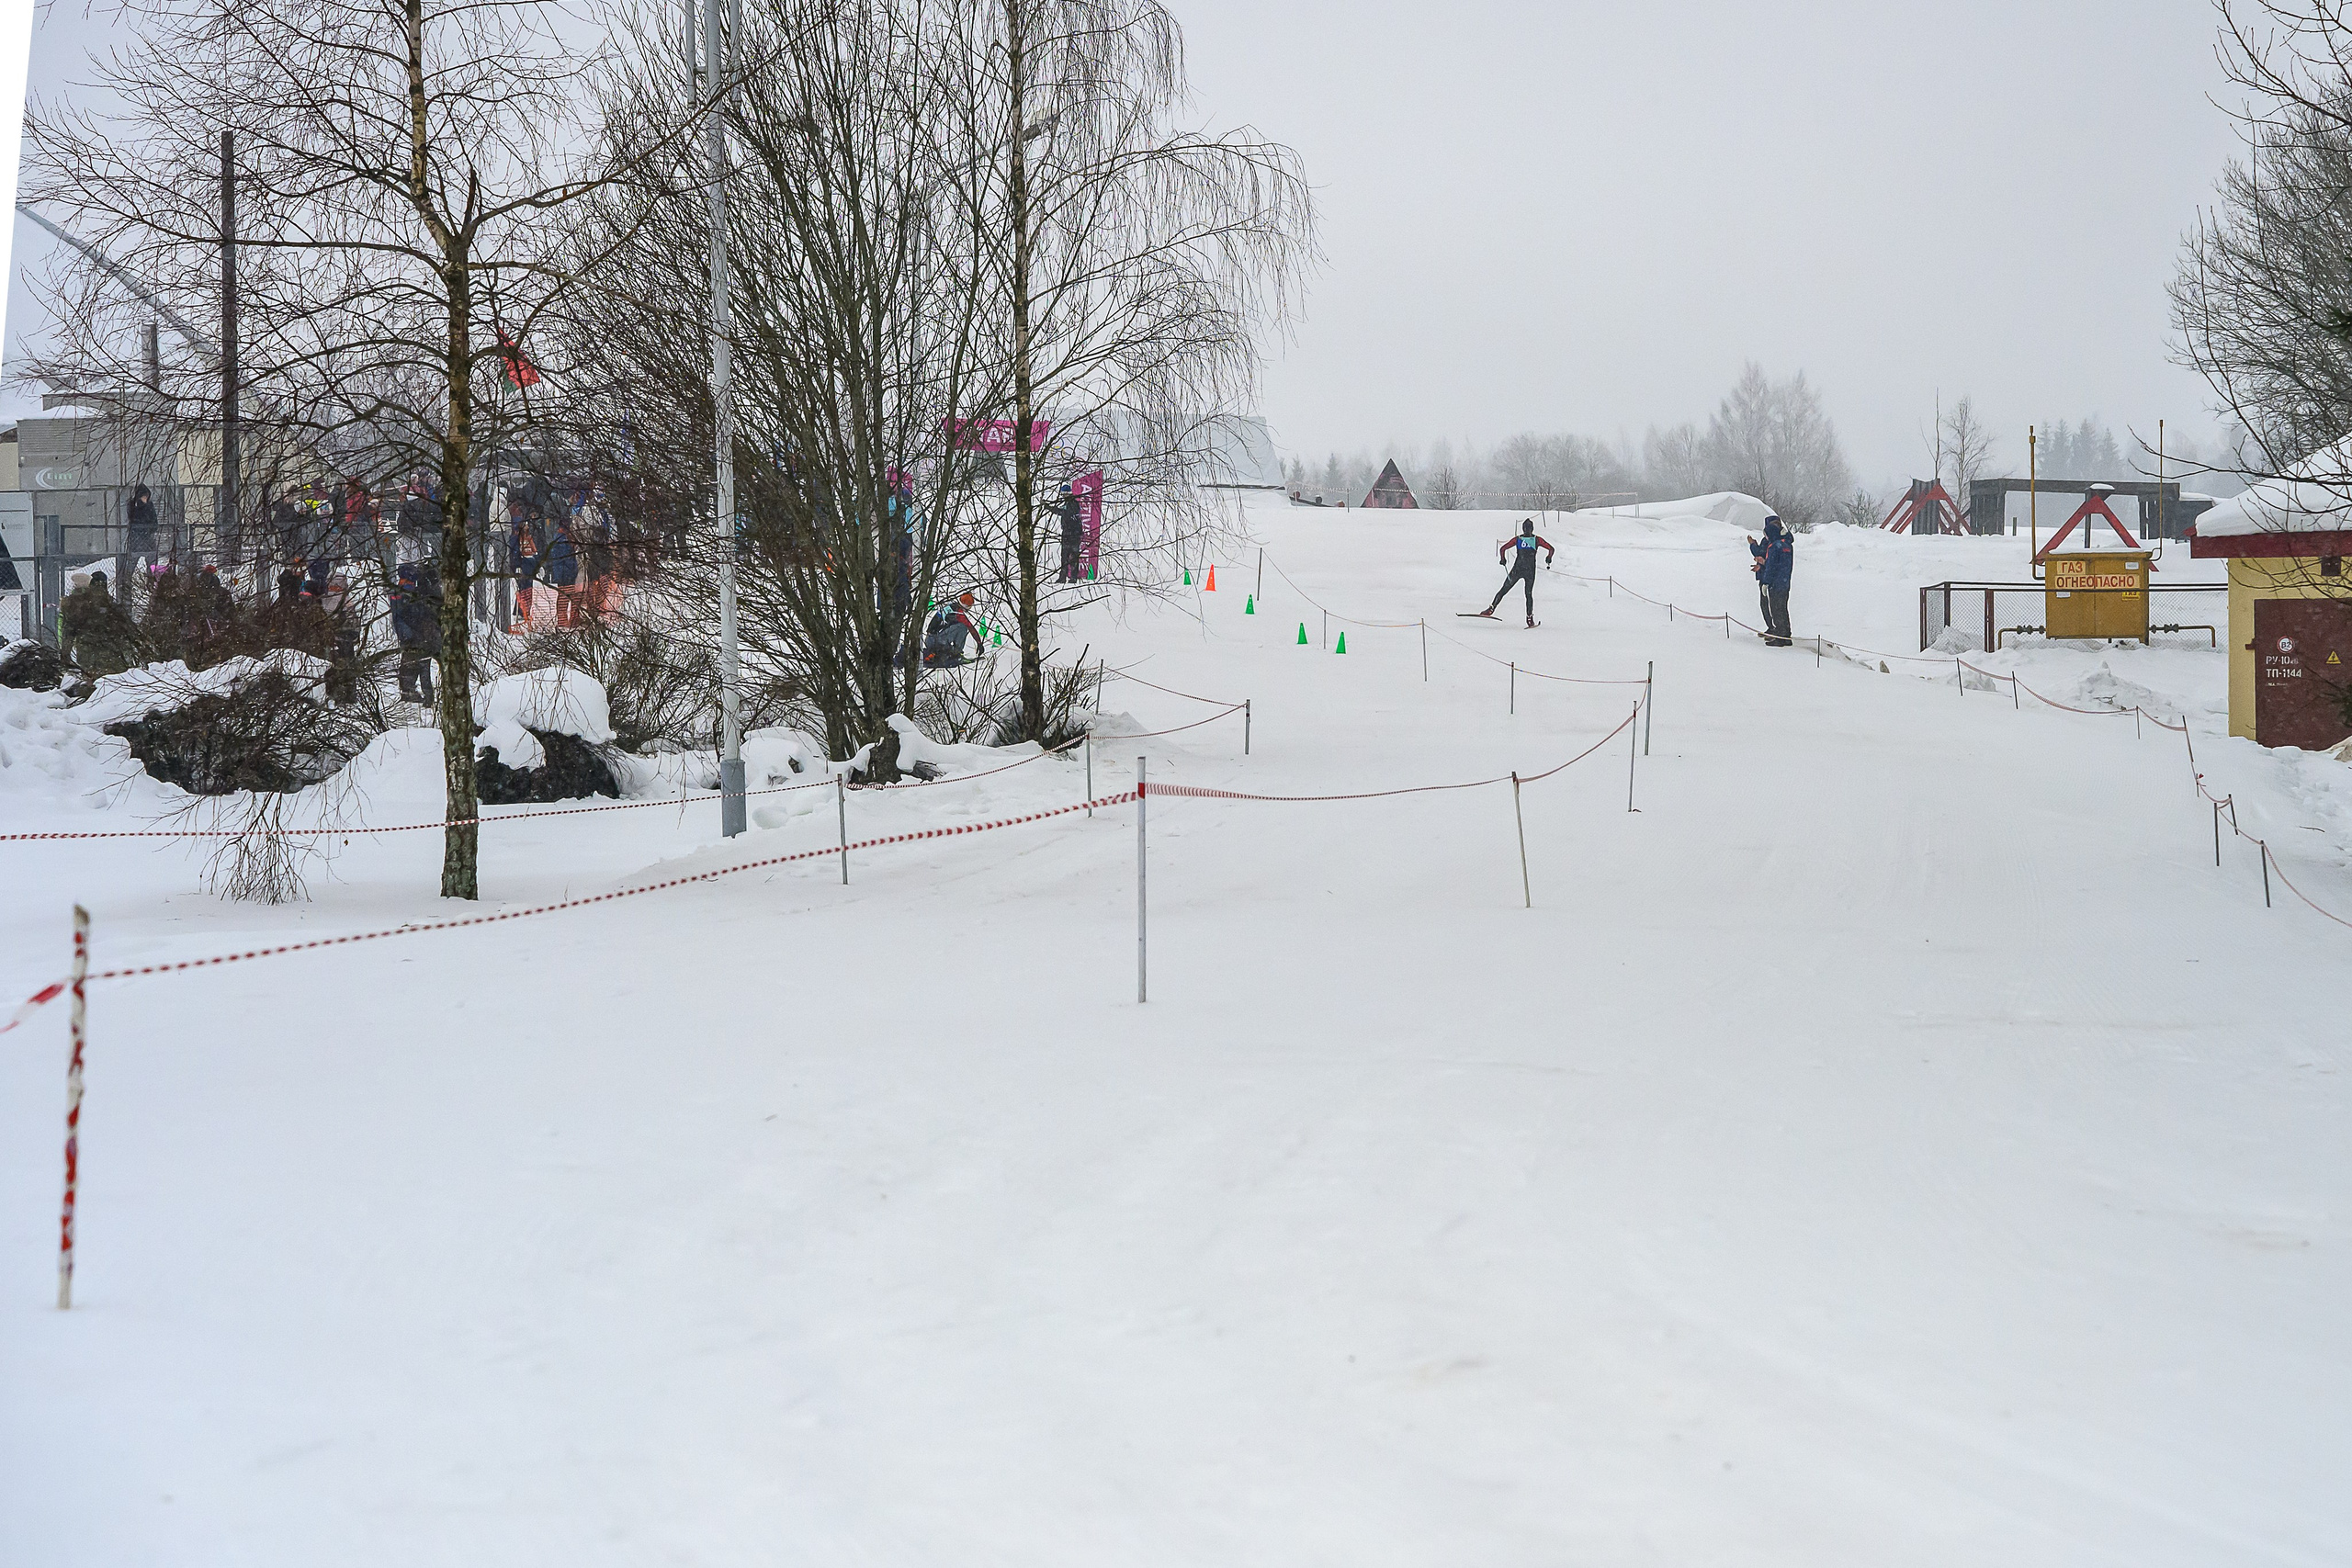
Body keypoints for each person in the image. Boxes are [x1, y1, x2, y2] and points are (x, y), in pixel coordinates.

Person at [61, 570, 141, 676]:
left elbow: (69, 630)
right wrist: (140, 644)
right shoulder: (110, 603)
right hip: (111, 650)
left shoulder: (80, 604)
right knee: (112, 679)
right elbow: (126, 625)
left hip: (86, 649)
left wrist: (65, 653)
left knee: (91, 678)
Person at [1479, 519, 1555, 625]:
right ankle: (1529, 618)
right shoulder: (1536, 540)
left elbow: (1503, 549)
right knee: (1527, 594)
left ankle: (1491, 609)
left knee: (1505, 589)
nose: (1527, 530)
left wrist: (1503, 559)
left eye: (1527, 528)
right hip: (1529, 571)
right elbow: (1551, 549)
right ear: (1531, 529)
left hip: (1518, 569)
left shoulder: (1519, 539)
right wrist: (1549, 558)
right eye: (1526, 528)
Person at [390, 558, 443, 704]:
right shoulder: (425, 590)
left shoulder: (404, 591)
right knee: (423, 665)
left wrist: (406, 635)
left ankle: (413, 693)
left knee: (415, 664)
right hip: (425, 633)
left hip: (418, 634)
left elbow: (398, 616)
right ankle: (425, 696)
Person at [1748, 513, 1793, 647]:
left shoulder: (1774, 546)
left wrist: (1766, 580)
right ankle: (1786, 635)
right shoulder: (1786, 544)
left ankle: (1779, 636)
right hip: (1784, 582)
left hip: (1775, 583)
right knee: (1782, 609)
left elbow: (1772, 566)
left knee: (1776, 609)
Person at [541, 517, 582, 628]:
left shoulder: (560, 539)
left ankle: (566, 620)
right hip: (565, 574)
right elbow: (565, 559)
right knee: (565, 598)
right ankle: (563, 621)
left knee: (566, 597)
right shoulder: (561, 541)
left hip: (565, 573)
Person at [922, 592, 980, 669]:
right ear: (966, 606)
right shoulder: (958, 613)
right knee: (962, 627)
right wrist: (979, 643)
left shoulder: (951, 607)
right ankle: (958, 654)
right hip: (936, 641)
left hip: (931, 639)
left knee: (956, 627)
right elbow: (970, 627)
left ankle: (944, 653)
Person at [1057, 481, 1085, 582]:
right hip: (1068, 534)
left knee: (1072, 557)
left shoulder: (1073, 504)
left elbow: (1064, 513)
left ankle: (1072, 578)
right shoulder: (1069, 503)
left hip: (1073, 535)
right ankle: (1063, 577)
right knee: (1065, 557)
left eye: (1064, 494)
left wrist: (1049, 508)